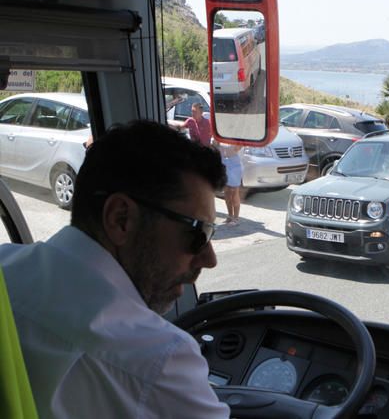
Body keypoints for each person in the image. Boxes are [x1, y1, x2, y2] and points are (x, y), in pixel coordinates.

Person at [0, 121, 230, 418]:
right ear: (121, 218)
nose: (209, 259)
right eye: (197, 234)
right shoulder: (158, 360)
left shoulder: (6, 266)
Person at [218, 142, 244, 225]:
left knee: (234, 191)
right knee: (226, 192)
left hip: (234, 165)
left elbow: (237, 148)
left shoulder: (235, 136)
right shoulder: (219, 135)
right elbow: (215, 147)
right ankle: (230, 216)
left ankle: (236, 218)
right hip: (223, 164)